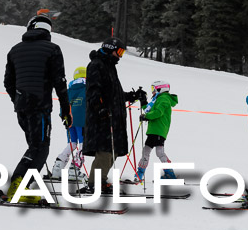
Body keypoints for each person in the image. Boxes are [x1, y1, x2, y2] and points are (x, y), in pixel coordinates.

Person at [3, 14, 71, 203]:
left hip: (22, 108)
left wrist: (18, 100)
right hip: (40, 107)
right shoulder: (52, 49)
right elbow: (60, 82)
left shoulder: (15, 50)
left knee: (34, 147)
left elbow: (8, 82)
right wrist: (66, 110)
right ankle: (18, 186)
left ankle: (20, 186)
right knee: (40, 148)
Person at [82, 37, 146, 193]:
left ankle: (101, 181)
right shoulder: (96, 65)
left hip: (114, 118)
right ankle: (94, 184)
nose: (120, 56)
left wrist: (132, 96)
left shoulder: (109, 67)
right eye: (119, 52)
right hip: (102, 118)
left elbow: (113, 94)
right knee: (105, 151)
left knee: (113, 151)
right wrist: (100, 109)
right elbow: (93, 91)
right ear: (110, 49)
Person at [134, 81, 179, 183]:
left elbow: (158, 112)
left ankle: (140, 174)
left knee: (152, 151)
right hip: (156, 129)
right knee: (154, 151)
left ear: (160, 89)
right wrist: (143, 101)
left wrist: (146, 116)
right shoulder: (157, 99)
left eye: (153, 89)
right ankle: (169, 174)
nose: (152, 92)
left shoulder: (164, 99)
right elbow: (149, 110)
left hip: (158, 129)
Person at [50, 66, 87, 181]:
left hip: (69, 120)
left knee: (72, 143)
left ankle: (58, 168)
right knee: (83, 144)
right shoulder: (87, 88)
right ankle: (74, 170)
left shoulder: (69, 89)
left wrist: (64, 116)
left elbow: (63, 103)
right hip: (82, 120)